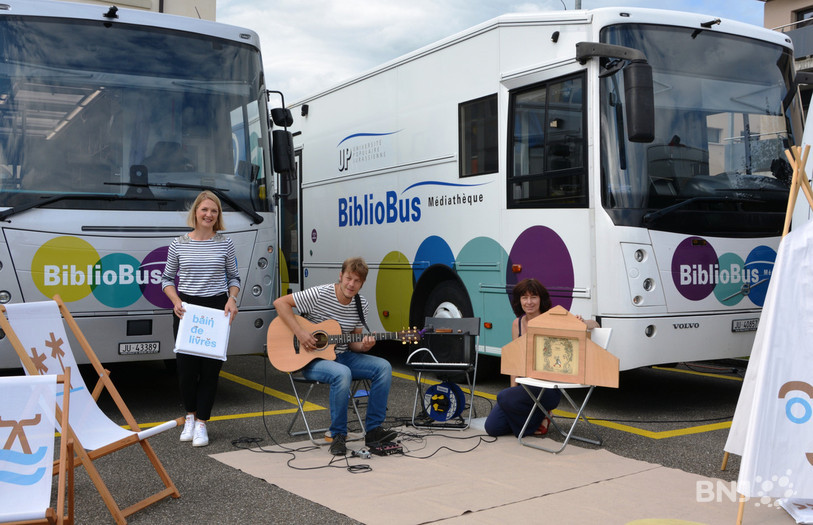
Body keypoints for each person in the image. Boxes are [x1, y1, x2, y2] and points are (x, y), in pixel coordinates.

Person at [273, 257, 397, 456]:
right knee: (342, 373)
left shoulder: (361, 304)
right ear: (340, 276)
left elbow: (354, 344)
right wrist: (300, 333)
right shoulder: (320, 294)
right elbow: (280, 303)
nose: (351, 284)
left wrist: (364, 346)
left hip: (343, 356)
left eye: (357, 281)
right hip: (312, 359)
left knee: (383, 367)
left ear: (362, 283)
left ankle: (374, 430)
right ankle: (338, 435)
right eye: (348, 278)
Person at [162, 191, 240, 447]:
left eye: (214, 211)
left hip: (216, 309)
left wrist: (232, 299)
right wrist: (176, 301)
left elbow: (234, 278)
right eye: (205, 209)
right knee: (186, 370)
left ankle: (202, 423)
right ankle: (190, 417)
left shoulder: (225, 243)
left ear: (218, 216)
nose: (209, 215)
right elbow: (166, 279)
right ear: (195, 212)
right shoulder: (178, 244)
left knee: (210, 371)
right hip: (187, 310)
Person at [484, 278, 599, 438]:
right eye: (524, 297)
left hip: (548, 388)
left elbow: (596, 325)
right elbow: (515, 361)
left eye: (534, 297)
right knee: (492, 428)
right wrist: (513, 392)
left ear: (541, 299)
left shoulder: (553, 319)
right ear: (519, 300)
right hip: (525, 388)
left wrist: (583, 322)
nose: (529, 302)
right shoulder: (517, 324)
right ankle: (538, 418)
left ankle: (534, 421)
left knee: (503, 397)